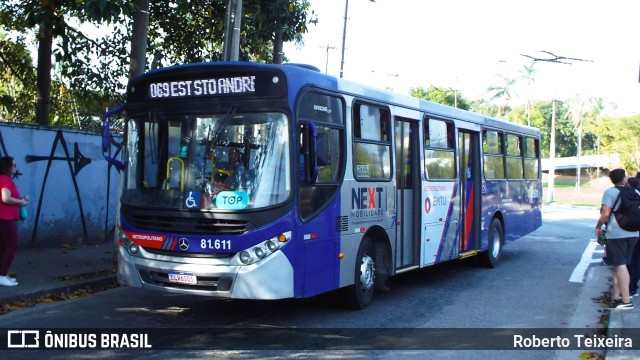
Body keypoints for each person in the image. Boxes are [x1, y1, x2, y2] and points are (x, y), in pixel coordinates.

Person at [595, 168, 638, 309]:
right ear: (624, 179)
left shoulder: (610, 192)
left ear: (611, 180)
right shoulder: (636, 192)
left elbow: (605, 214)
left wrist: (598, 226)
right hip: (634, 234)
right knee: (620, 266)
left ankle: (626, 301)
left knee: (620, 265)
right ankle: (616, 297)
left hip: (616, 234)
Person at [0, 156, 29, 287]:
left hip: (6, 217)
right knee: (13, 245)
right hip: (5, 218)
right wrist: (21, 202)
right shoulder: (4, 179)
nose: (16, 167)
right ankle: (2, 275)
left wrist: (20, 198)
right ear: (8, 166)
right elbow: (6, 198)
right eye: (14, 165)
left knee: (5, 247)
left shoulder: (5, 180)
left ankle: (2, 275)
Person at [629, 174, 640, 297]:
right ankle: (633, 286)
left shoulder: (633, 195)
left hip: (634, 231)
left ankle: (631, 286)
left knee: (633, 259)